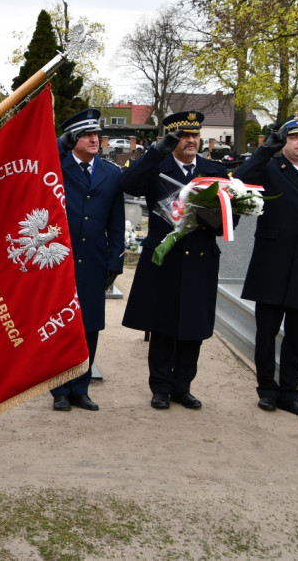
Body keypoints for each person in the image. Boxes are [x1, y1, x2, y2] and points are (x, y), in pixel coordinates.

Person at [120, 111, 229, 410]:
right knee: (163, 323)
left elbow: (232, 211)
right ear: (172, 138)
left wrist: (217, 219)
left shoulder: (212, 169)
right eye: (184, 135)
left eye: (195, 135)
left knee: (193, 325)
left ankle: (183, 387)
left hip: (200, 257)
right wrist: (155, 152)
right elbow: (127, 184)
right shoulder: (157, 166)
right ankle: (160, 387)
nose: (191, 140)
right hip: (165, 258)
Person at [233, 117, 298, 417]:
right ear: (286, 142)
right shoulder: (270, 169)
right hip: (272, 265)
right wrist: (267, 149)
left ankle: (289, 392)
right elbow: (239, 180)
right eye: (294, 138)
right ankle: (267, 390)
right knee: (266, 333)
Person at [50, 109, 125, 412]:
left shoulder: (110, 173)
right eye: (86, 135)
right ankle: (59, 390)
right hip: (61, 260)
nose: (95, 139)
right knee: (61, 323)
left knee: (90, 325)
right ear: (72, 140)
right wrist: (60, 143)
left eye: (96, 134)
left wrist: (115, 261)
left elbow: (117, 221)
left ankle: (80, 387)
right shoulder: (57, 166)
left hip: (94, 260)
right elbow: (38, 157)